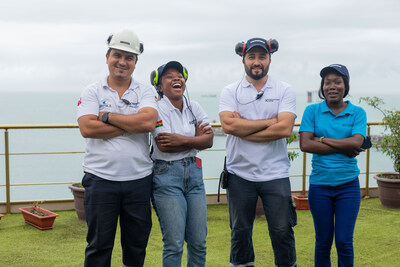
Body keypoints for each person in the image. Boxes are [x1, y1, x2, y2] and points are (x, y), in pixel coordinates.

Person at [77, 29, 158, 267]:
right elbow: (87, 129)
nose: (122, 62)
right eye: (117, 55)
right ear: (107, 56)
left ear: (135, 62)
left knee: (136, 245)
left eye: (129, 57)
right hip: (100, 179)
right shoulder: (92, 90)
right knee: (98, 246)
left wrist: (107, 116)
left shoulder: (145, 91)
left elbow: (148, 122)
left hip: (139, 180)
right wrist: (131, 124)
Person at [219, 37, 297, 267]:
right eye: (251, 56)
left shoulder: (284, 89)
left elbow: (284, 129)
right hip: (239, 172)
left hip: (276, 172)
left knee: (282, 230)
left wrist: (245, 129)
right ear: (243, 60)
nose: (256, 61)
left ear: (269, 59)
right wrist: (270, 121)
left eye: (261, 56)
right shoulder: (230, 90)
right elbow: (229, 126)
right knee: (240, 231)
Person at [299, 64, 367, 267]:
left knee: (345, 242)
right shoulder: (312, 110)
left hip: (348, 186)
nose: (332, 86)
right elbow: (304, 144)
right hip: (320, 186)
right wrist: (342, 146)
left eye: (337, 82)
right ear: (322, 86)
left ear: (345, 86)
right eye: (327, 82)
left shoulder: (357, 112)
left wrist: (321, 139)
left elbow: (356, 143)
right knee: (323, 242)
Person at [150, 61, 213, 267]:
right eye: (169, 76)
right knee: (174, 243)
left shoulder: (194, 107)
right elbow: (165, 144)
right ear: (159, 86)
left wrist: (183, 140)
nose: (176, 78)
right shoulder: (156, 109)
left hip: (194, 175)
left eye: (179, 75)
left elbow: (209, 140)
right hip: (166, 175)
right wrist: (195, 139)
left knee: (198, 242)